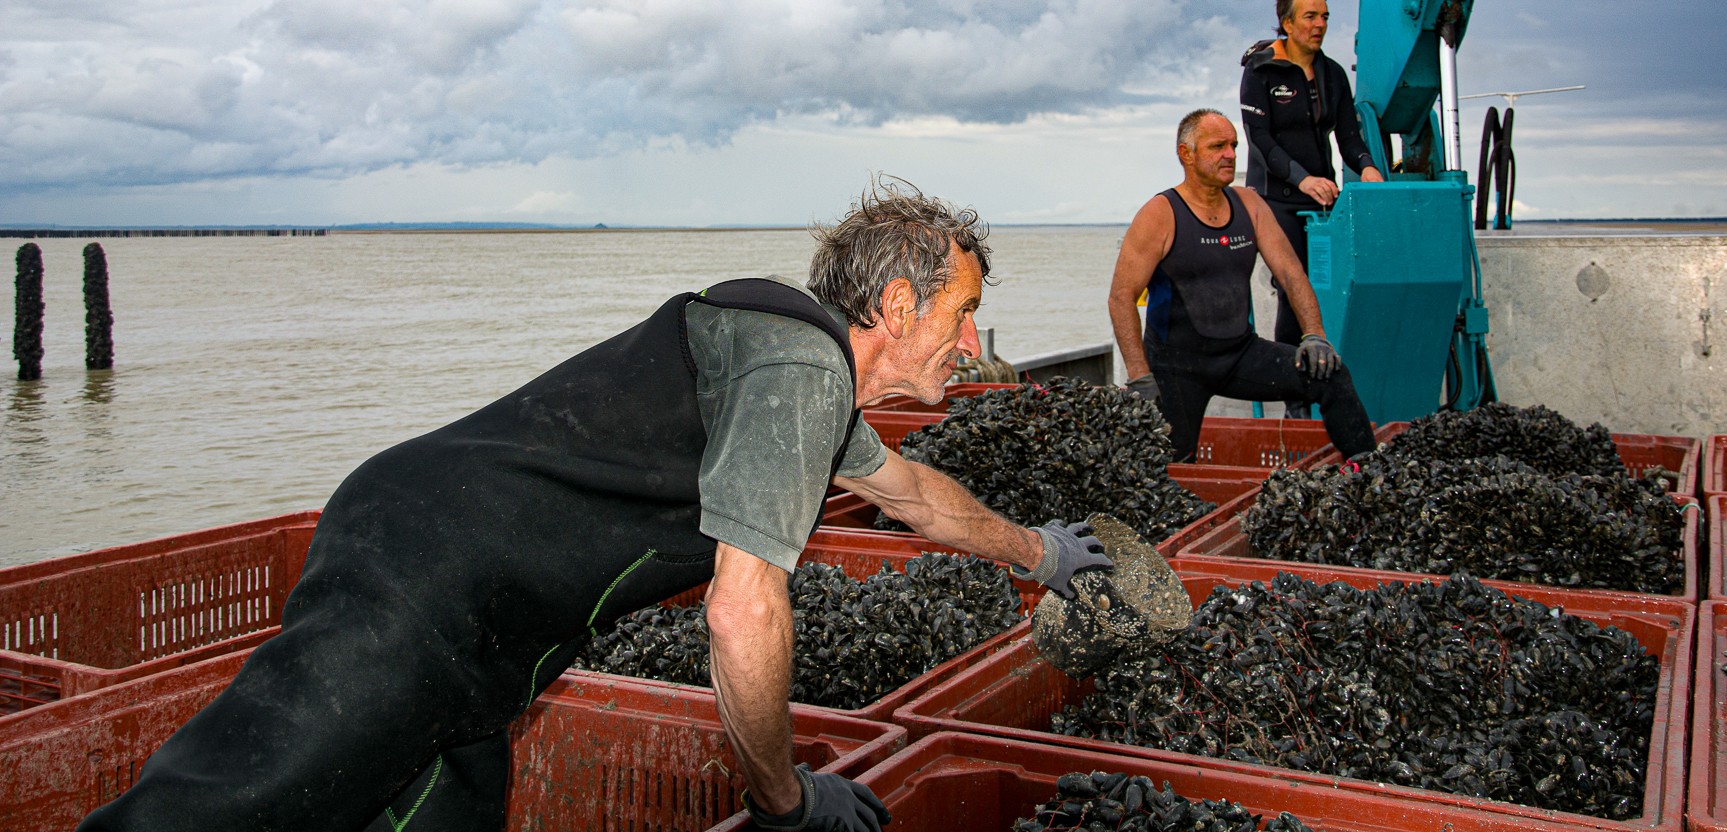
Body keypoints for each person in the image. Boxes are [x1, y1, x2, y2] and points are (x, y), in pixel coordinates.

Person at [80, 185, 1112, 832]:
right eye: (963, 314)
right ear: (897, 306)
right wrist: (783, 798)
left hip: (490, 635)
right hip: (418, 575)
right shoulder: (797, 367)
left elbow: (917, 497)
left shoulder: (802, 383)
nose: (972, 344)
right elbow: (742, 611)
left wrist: (1043, 553)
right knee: (227, 805)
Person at [1107, 109, 1376, 464]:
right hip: (1174, 368)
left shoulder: (1248, 204)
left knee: (1330, 374)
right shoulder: (1161, 213)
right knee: (1171, 468)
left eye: (1233, 145)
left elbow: (1292, 273)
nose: (1231, 154)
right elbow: (1121, 297)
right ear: (1186, 155)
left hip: (1239, 355)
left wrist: (1314, 335)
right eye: (1218, 146)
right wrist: (1140, 378)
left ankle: (1369, 472)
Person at [1239, 0, 1385, 356]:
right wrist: (1303, 180)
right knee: (1293, 282)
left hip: (1322, 199)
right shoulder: (1261, 70)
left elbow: (1349, 139)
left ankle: (1328, 365)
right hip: (1275, 198)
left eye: (1324, 16)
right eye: (1310, 17)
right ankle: (1294, 387)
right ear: (1287, 24)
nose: (1319, 24)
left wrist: (1368, 167)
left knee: (1330, 283)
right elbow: (1260, 141)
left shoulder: (1332, 74)